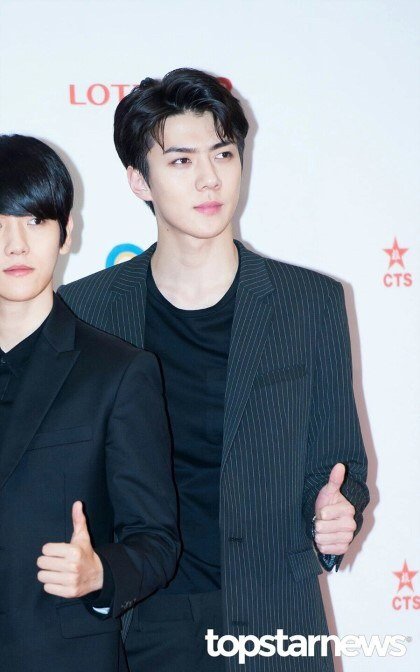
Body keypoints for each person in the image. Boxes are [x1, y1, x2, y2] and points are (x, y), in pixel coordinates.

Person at [59, 68, 370, 672]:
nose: (209, 178)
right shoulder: (86, 311)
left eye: (223, 154)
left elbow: (341, 465)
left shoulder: (310, 304)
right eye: (180, 160)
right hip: (141, 622)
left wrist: (339, 512)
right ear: (139, 180)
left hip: (275, 616)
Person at [0, 134, 179, 672]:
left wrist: (100, 572)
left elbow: (156, 541)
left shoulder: (118, 372)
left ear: (66, 233)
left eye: (35, 221)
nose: (15, 245)